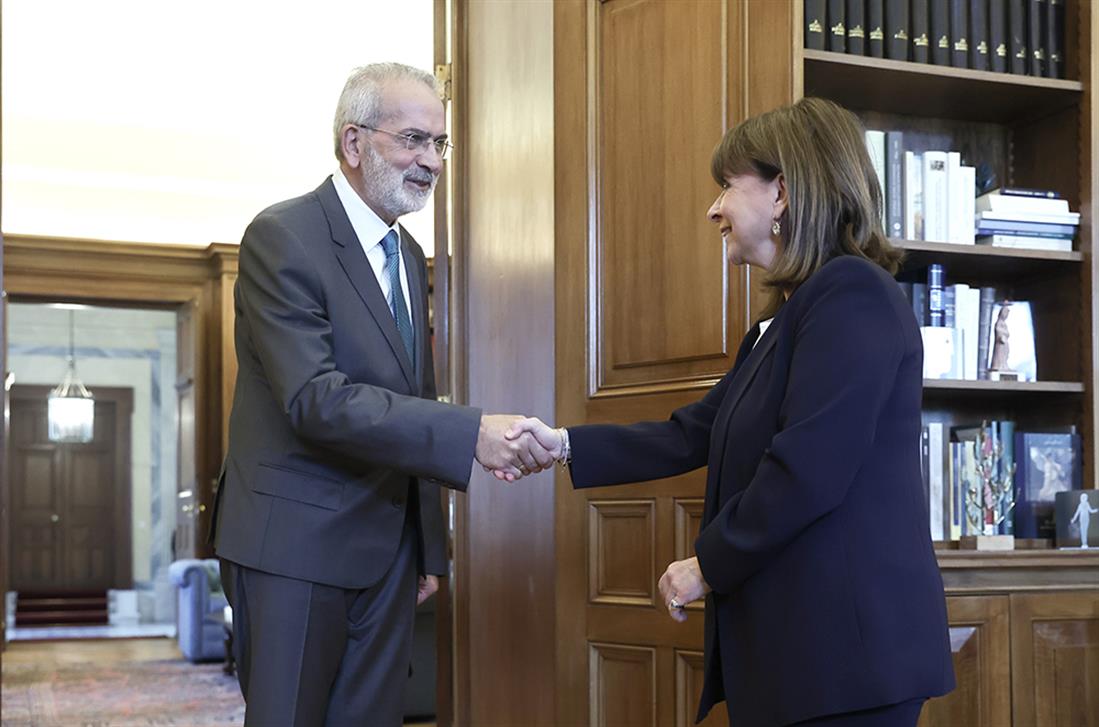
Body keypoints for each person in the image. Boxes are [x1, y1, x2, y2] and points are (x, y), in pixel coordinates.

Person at [510, 98, 955, 726]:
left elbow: (808, 469)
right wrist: (561, 445)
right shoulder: (786, 320)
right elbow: (692, 432)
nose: (713, 208)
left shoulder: (853, 296)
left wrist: (706, 566)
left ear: (782, 193)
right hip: (806, 657)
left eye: (727, 186)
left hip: (849, 662)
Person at [210, 63, 552, 727]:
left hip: (388, 557)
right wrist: (470, 433)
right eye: (413, 140)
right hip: (294, 551)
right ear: (353, 142)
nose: (432, 161)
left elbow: (414, 393)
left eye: (439, 143)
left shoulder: (409, 254)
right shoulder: (282, 236)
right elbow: (314, 398)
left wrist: (426, 548)